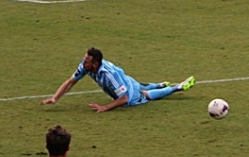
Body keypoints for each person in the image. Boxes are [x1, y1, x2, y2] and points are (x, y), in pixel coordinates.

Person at [41, 47, 195, 113]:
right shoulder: (86, 67)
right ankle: (159, 84)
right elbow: (70, 82)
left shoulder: (108, 75)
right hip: (126, 79)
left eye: (86, 61)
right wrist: (55, 98)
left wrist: (104, 107)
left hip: (129, 92)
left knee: (146, 95)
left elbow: (124, 98)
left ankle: (177, 87)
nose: (83, 63)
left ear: (95, 64)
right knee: (142, 86)